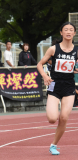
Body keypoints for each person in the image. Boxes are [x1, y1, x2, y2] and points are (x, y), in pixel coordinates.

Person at [37, 22, 77, 155]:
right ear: (61, 32)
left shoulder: (76, 50)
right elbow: (39, 64)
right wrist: (44, 76)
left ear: (74, 33)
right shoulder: (53, 49)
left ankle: (53, 145)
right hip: (54, 84)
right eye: (66, 29)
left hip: (69, 86)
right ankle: (51, 108)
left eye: (71, 30)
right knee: (52, 119)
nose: (68, 32)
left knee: (64, 117)